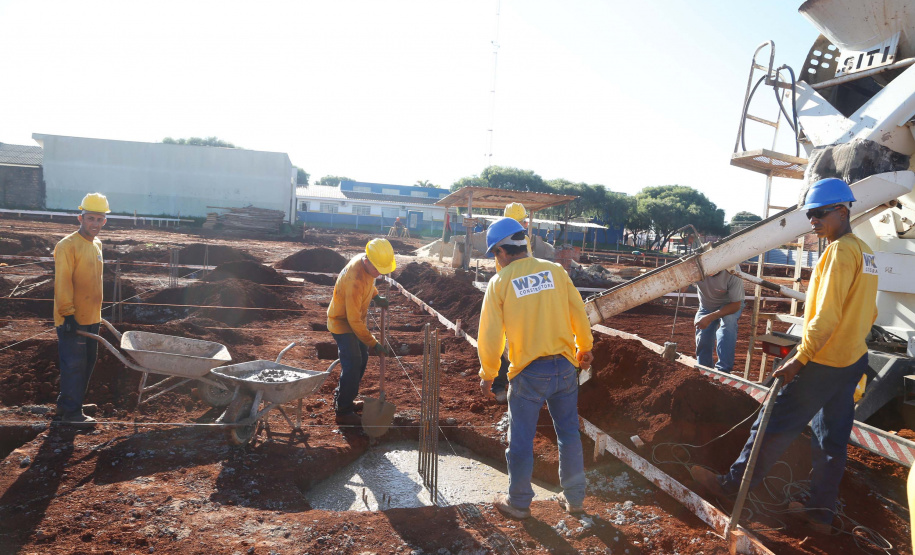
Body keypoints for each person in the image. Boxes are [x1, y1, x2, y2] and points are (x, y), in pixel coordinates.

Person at [690, 178, 878, 534]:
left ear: (842, 210)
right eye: (809, 215)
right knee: (831, 439)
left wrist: (800, 357)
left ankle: (730, 488)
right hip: (852, 360)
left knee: (772, 425)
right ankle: (820, 512)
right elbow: (869, 313)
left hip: (822, 360)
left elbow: (826, 315)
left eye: (819, 214)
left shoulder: (838, 252)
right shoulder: (866, 252)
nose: (813, 222)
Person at [478, 217, 594, 519]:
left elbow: (490, 336)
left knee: (521, 440)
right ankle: (575, 499)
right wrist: (585, 347)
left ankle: (518, 503)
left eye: (494, 254)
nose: (496, 261)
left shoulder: (500, 283)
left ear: (502, 251)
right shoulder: (555, 271)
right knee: (569, 435)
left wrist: (488, 373)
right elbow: (577, 311)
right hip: (566, 368)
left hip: (528, 373)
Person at [327, 238, 396, 427]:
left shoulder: (367, 264)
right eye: (378, 270)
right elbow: (354, 321)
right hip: (342, 323)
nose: (379, 274)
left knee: (362, 359)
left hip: (354, 321)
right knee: (353, 362)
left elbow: (369, 281)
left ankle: (344, 398)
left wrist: (375, 295)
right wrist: (374, 342)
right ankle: (343, 411)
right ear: (368, 261)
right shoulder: (354, 279)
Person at [54, 192, 110, 424]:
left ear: (104, 221)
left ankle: (71, 402)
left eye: (99, 219)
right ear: (80, 218)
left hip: (91, 316)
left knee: (86, 363)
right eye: (90, 218)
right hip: (72, 318)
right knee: (74, 365)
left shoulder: (96, 244)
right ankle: (71, 413)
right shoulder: (67, 245)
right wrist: (67, 314)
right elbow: (63, 281)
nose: (94, 224)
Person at [490, 203, 536, 403]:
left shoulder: (507, 238)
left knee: (509, 340)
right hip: (512, 294)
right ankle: (501, 384)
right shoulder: (520, 240)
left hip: (513, 293)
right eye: (523, 221)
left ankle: (505, 384)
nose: (524, 225)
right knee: (506, 341)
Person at [692, 270, 745, 372]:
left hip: (730, 305)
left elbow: (735, 305)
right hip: (707, 306)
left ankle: (723, 369)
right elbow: (681, 286)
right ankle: (704, 368)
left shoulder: (733, 271)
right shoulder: (696, 267)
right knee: (702, 333)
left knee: (728, 324)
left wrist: (709, 317)